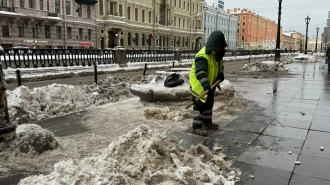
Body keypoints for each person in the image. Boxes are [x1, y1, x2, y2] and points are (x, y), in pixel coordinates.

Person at [189, 31, 227, 136]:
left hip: (210, 85)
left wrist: (221, 75)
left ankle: (207, 122)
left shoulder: (217, 55)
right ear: (216, 45)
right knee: (198, 107)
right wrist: (206, 85)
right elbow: (200, 73)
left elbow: (220, 67)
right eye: (220, 46)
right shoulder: (203, 56)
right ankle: (196, 127)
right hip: (199, 86)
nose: (221, 48)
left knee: (209, 104)